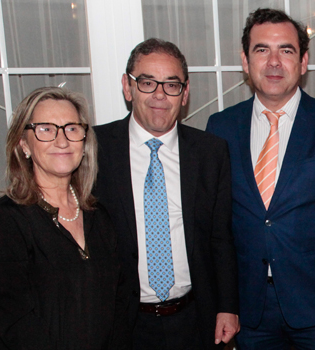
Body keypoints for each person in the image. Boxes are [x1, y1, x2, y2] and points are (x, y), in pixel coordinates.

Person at [205, 8, 315, 350]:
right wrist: (224, 303)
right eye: (262, 49)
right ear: (245, 60)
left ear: (304, 61)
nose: (274, 62)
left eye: (287, 50)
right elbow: (217, 226)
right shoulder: (220, 128)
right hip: (249, 311)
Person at [93, 38, 239, 349]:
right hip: (121, 324)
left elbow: (221, 237)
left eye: (171, 85)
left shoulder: (210, 152)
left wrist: (228, 307)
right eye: (147, 82)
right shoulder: (94, 149)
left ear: (185, 93)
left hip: (194, 320)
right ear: (127, 86)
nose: (160, 95)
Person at [0, 87, 130, 348]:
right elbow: (18, 324)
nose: (62, 140)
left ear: (84, 141)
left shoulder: (99, 217)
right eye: (46, 129)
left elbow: (118, 308)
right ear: (23, 144)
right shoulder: (4, 223)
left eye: (71, 128)